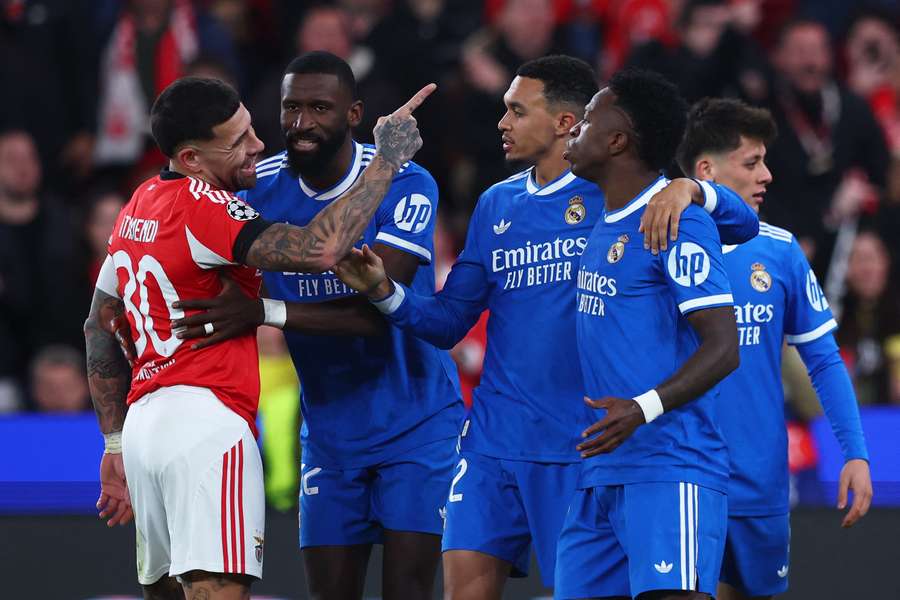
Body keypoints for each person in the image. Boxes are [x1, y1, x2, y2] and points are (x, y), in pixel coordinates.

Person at [330, 56, 759, 598]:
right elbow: (447, 322)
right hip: (494, 438)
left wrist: (692, 190)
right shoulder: (496, 204)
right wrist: (382, 291)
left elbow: (742, 225)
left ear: (566, 123)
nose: (501, 123)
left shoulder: (618, 197)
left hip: (579, 443)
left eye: (516, 110)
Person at [83, 75, 432, 599]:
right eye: (238, 140)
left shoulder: (139, 204)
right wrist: (386, 160)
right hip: (207, 424)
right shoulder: (207, 206)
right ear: (193, 158)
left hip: (143, 429)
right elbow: (320, 248)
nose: (259, 146)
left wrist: (113, 441)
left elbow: (97, 326)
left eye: (252, 129)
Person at [168, 51, 463, 600]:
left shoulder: (406, 179)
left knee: (407, 591)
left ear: (353, 114)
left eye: (319, 108)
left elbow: (379, 313)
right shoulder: (256, 187)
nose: (301, 123)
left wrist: (264, 312)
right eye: (291, 107)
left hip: (417, 425)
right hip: (329, 433)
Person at [552, 68, 740, 599]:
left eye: (587, 119)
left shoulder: (676, 220)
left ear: (617, 140)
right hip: (601, 472)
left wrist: (642, 408)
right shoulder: (604, 215)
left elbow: (724, 348)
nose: (574, 130)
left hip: (668, 465)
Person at [678, 97, 873, 600]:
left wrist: (855, 452)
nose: (766, 175)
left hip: (761, 480)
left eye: (765, 160)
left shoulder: (779, 250)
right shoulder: (660, 247)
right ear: (706, 170)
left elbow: (824, 360)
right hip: (682, 478)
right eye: (751, 163)